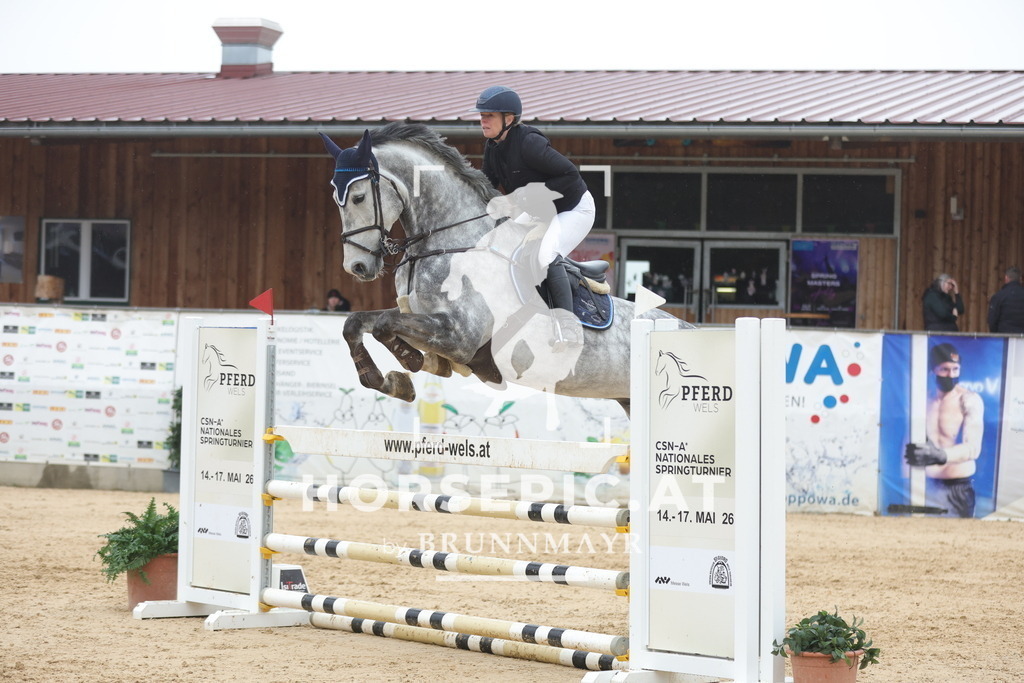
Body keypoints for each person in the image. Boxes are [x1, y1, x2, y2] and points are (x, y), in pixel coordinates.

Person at [473, 85, 596, 346]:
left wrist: (523, 198)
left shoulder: (529, 143)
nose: (483, 120)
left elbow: (570, 175)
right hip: (539, 212)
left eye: (490, 116)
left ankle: (569, 327)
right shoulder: (492, 148)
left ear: (509, 119)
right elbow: (486, 189)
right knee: (496, 242)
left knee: (546, 255)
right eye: (482, 115)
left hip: (574, 208)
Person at [904, 342, 984, 517]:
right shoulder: (922, 399)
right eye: (945, 369)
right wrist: (906, 477)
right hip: (924, 484)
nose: (951, 375)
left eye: (955, 369)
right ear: (933, 370)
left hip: (958, 488)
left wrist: (941, 455)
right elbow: (909, 440)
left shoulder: (969, 399)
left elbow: (974, 447)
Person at [987, 265, 1024, 333]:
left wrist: (997, 336)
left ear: (1006, 278)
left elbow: (992, 321)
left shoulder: (998, 296)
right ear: (1020, 279)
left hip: (1004, 337)